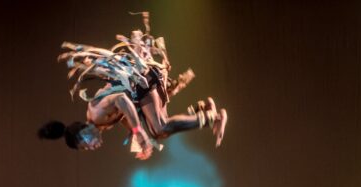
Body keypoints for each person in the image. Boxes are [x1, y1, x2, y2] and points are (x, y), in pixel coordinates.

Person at [39, 12, 227, 159]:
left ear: (83, 133)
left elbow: (121, 99)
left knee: (159, 128)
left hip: (140, 82)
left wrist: (138, 132)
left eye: (85, 145)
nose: (92, 147)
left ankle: (213, 117)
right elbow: (122, 114)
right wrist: (139, 136)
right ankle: (202, 111)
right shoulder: (100, 123)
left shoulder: (96, 113)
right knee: (158, 132)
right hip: (140, 88)